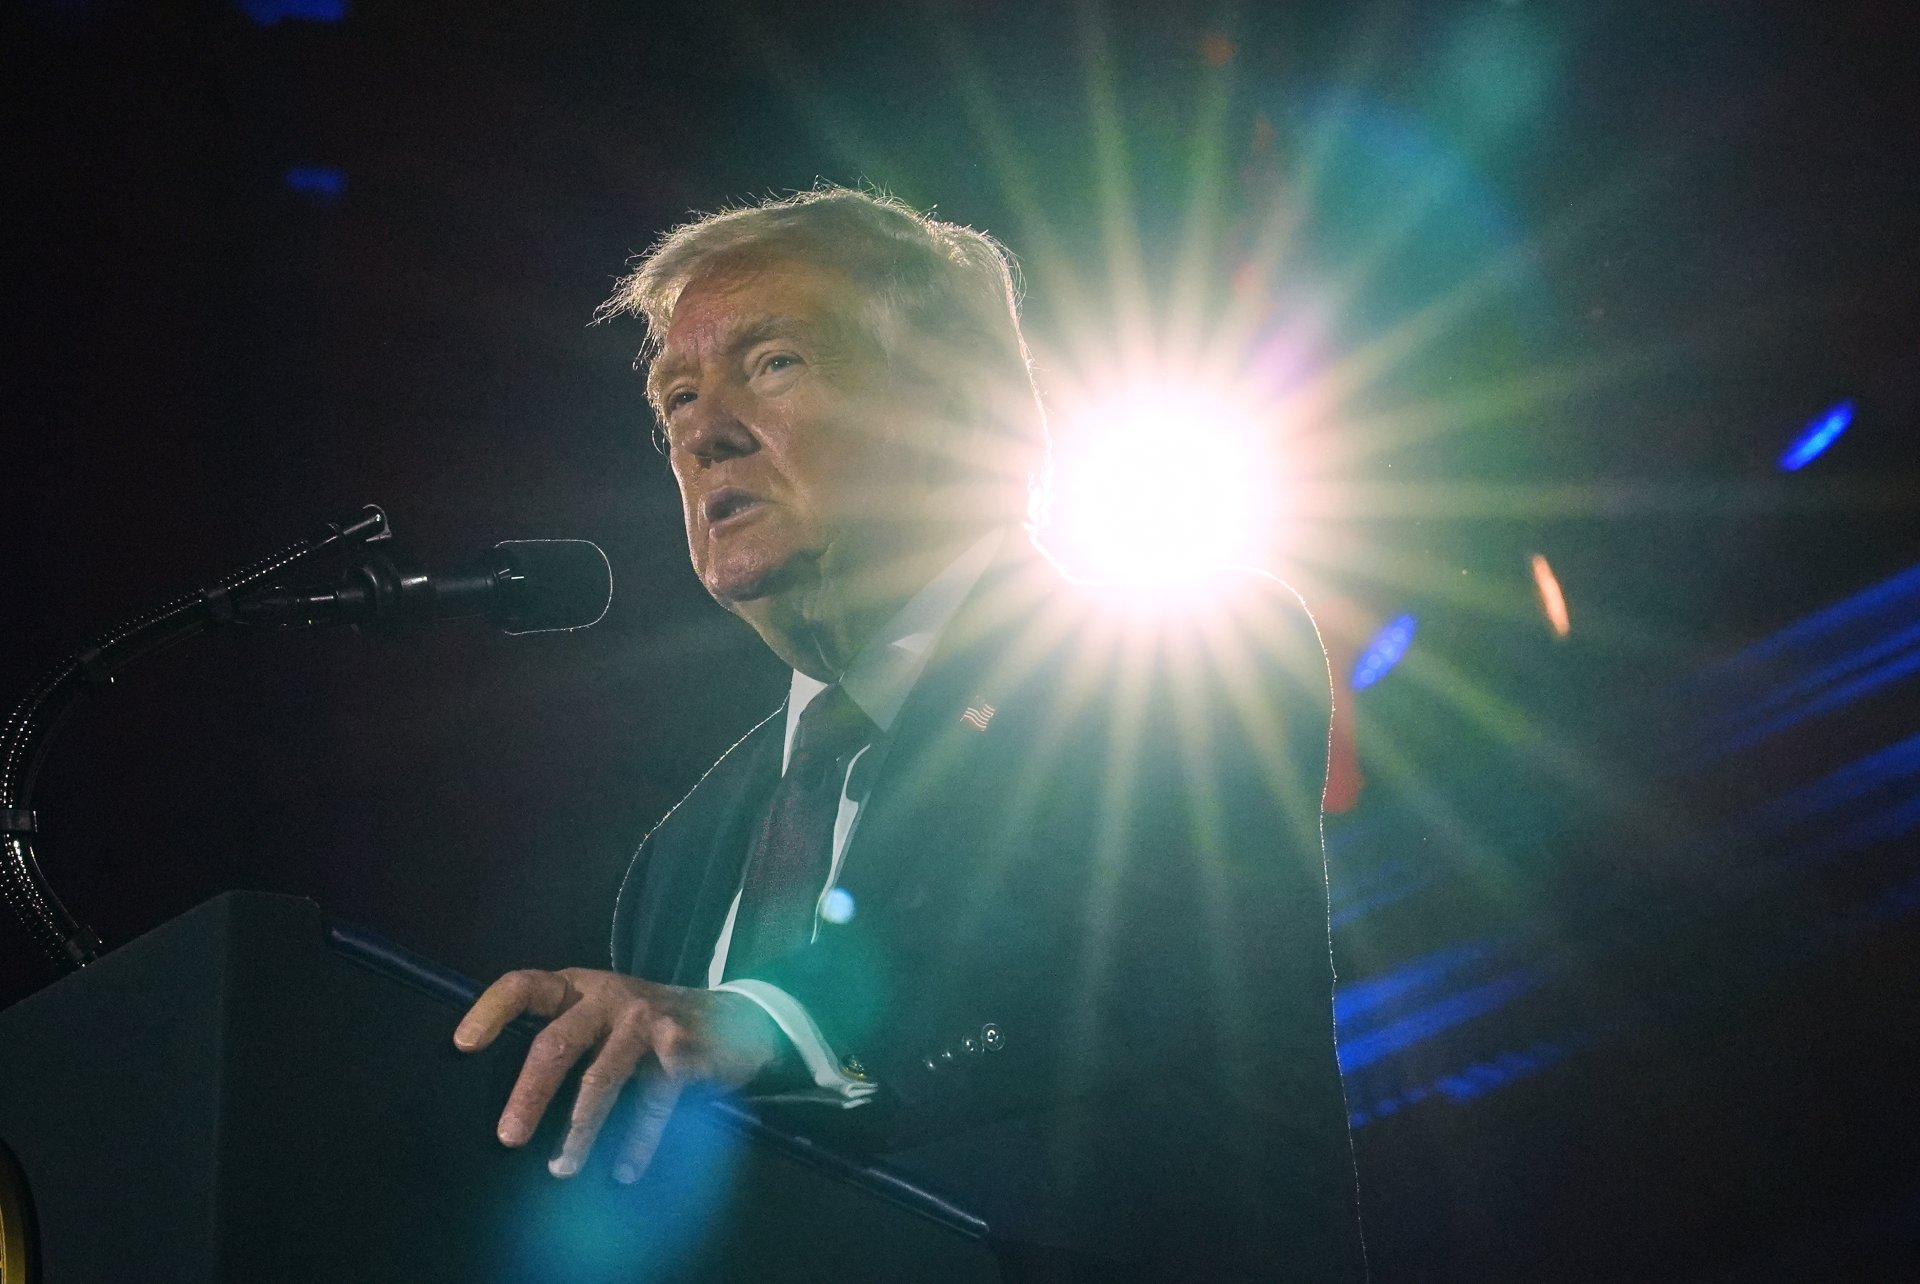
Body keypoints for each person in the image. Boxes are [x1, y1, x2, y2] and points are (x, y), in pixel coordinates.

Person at [454, 187, 1365, 1280]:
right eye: (678, 398)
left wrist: (764, 1020)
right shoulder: (680, 856)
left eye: (774, 363)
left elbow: (1085, 951)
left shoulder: (1182, 653)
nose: (702, 431)